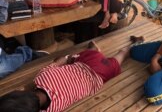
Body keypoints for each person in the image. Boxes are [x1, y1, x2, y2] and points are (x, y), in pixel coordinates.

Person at [0, 41, 130, 112]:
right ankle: (94, 50)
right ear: (21, 91)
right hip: (84, 62)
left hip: (99, 74)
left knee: (118, 59)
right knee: (75, 57)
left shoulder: (53, 108)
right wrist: (67, 59)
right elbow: (59, 61)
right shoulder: (42, 76)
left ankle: (125, 50)